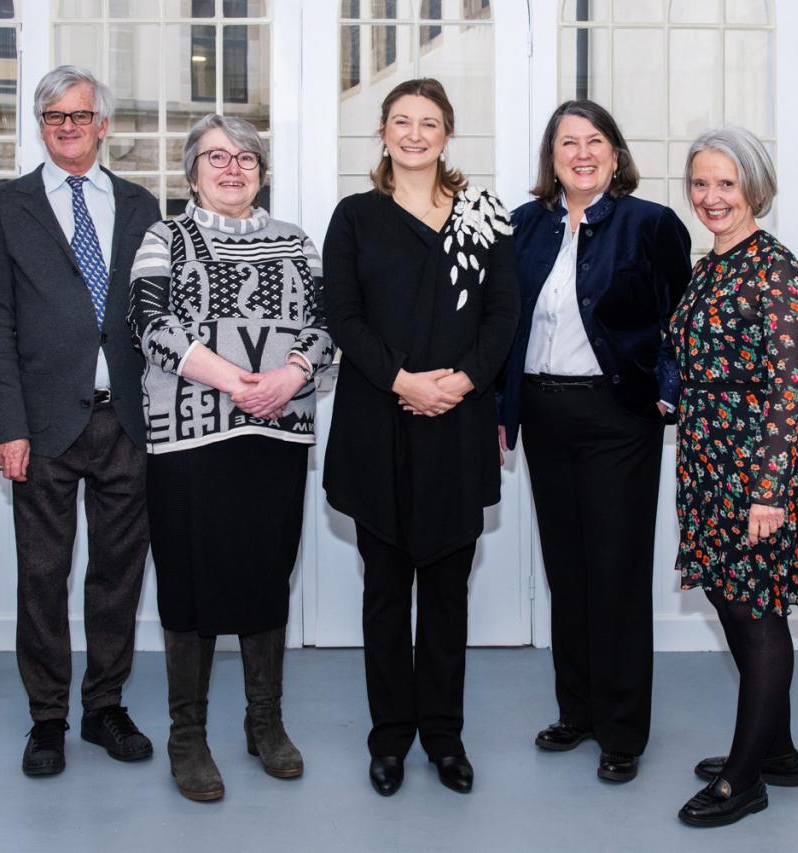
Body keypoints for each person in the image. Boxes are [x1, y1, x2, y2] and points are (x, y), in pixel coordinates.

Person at [322, 78, 519, 797]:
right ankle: (390, 737)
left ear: (446, 134)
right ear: (381, 132)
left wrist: (461, 383)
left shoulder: (483, 215)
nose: (414, 134)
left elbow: (504, 314)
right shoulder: (354, 217)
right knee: (384, 591)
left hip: (458, 427)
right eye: (401, 121)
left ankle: (444, 735)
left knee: (446, 592)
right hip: (378, 422)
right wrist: (404, 380)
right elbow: (342, 315)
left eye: (428, 122)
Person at [129, 113, 334, 802]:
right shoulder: (166, 236)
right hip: (189, 437)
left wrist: (290, 375)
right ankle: (188, 736)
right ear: (192, 172)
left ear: (262, 171)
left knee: (265, 575)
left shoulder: (298, 241)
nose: (232, 166)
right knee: (188, 584)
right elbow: (151, 325)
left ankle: (264, 723)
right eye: (215, 156)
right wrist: (234, 381)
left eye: (246, 156)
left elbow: (327, 324)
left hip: (277, 434)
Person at [498, 99, 691, 784]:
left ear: (615, 153)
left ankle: (621, 729)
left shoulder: (651, 224)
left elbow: (680, 319)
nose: (581, 153)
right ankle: (576, 709)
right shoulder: (522, 227)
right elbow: (505, 326)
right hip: (545, 414)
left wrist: (666, 387)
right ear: (552, 158)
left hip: (618, 418)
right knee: (568, 571)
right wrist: (504, 405)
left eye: (595, 141)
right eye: (567, 143)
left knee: (615, 572)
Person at [0, 65, 161, 777]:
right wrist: (6, 424)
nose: (67, 126)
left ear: (102, 124)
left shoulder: (141, 204)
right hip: (43, 423)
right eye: (53, 115)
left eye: (79, 115)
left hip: (129, 421)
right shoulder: (7, 206)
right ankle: (47, 717)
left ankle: (104, 705)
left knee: (118, 572)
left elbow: (159, 314)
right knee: (44, 574)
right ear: (40, 123)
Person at [673, 126, 798, 827]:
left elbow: (786, 387)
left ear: (753, 187)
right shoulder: (709, 267)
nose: (711, 197)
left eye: (726, 184)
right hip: (707, 459)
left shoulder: (777, 270)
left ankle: (745, 777)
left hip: (753, 466)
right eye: (701, 183)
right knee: (735, 604)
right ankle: (779, 750)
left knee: (758, 614)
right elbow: (699, 361)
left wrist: (768, 490)